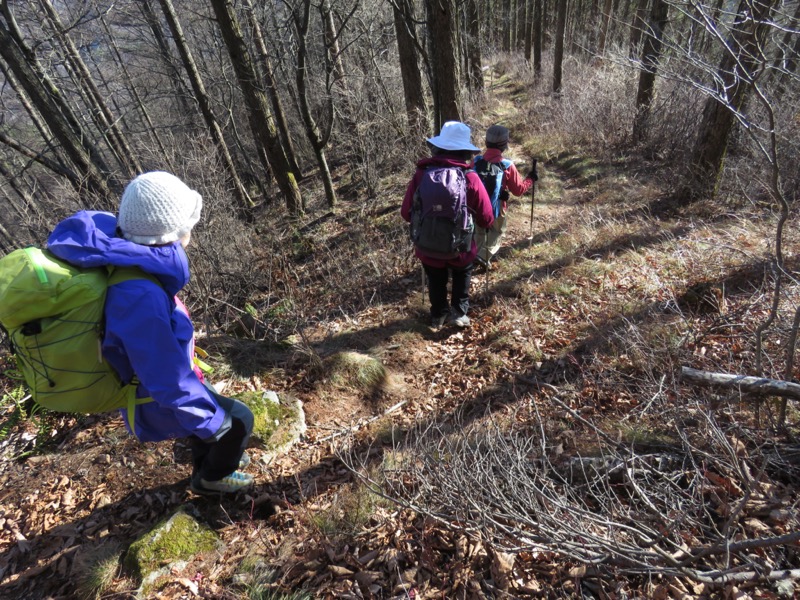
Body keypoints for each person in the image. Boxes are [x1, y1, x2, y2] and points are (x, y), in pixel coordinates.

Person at [46, 171, 255, 495]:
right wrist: (213, 423)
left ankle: (212, 463)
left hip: (169, 382)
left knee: (213, 413)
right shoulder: (138, 295)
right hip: (152, 398)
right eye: (187, 226)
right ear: (168, 234)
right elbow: (165, 379)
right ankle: (212, 478)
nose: (191, 232)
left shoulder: (135, 265)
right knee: (238, 421)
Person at [401, 121, 494, 329]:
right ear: (465, 151)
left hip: (428, 246)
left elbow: (406, 213)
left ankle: (438, 314)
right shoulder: (470, 177)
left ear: (438, 147)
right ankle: (459, 313)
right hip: (460, 247)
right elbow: (486, 217)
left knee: (436, 277)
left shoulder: (422, 174)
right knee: (462, 272)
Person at [474, 124, 538, 267]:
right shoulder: (507, 165)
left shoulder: (476, 161)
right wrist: (530, 179)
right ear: (504, 145)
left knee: (479, 232)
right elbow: (518, 190)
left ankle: (477, 255)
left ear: (486, 142)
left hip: (476, 206)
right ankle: (483, 256)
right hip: (498, 207)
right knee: (497, 232)